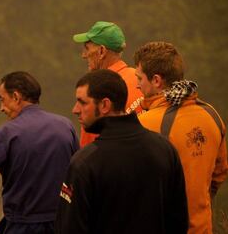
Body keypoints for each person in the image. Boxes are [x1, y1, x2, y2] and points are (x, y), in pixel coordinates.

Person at [55, 69, 188, 234]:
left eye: (82, 102)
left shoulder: (85, 162)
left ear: (104, 105)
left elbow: (70, 228)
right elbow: (179, 222)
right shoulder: (165, 149)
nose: (75, 109)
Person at [0, 71, 80, 234]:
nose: (1, 108)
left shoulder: (8, 132)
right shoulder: (66, 126)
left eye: (2, 100)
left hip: (22, 225)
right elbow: (77, 173)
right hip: (61, 222)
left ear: (16, 97)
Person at [134, 41, 228, 234]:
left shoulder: (144, 123)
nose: (137, 84)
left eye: (140, 78)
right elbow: (219, 173)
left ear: (157, 80)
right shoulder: (212, 116)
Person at [73, 21, 144, 147]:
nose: (83, 55)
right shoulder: (140, 79)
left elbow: (88, 149)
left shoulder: (95, 90)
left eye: (87, 48)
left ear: (101, 51)